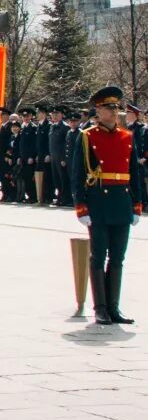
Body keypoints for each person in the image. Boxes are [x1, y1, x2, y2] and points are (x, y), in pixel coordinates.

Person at [73, 86, 142, 324]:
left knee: (118, 257)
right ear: (98, 110)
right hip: (99, 202)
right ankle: (100, 306)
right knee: (98, 255)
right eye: (109, 108)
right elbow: (78, 173)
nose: (115, 112)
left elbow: (134, 172)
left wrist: (137, 204)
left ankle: (114, 306)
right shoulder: (87, 136)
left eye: (116, 108)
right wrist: (81, 206)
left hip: (121, 201)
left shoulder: (127, 136)